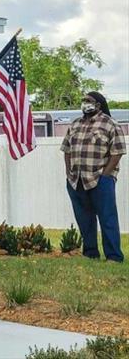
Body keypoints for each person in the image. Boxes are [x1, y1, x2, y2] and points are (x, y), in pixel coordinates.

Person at [62, 91, 125, 262]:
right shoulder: (75, 124)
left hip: (100, 179)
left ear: (98, 105)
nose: (84, 103)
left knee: (107, 219)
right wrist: (69, 171)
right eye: (83, 100)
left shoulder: (110, 124)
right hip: (77, 180)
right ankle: (90, 254)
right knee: (85, 219)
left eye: (88, 100)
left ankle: (113, 256)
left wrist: (105, 175)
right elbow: (67, 149)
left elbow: (117, 152)